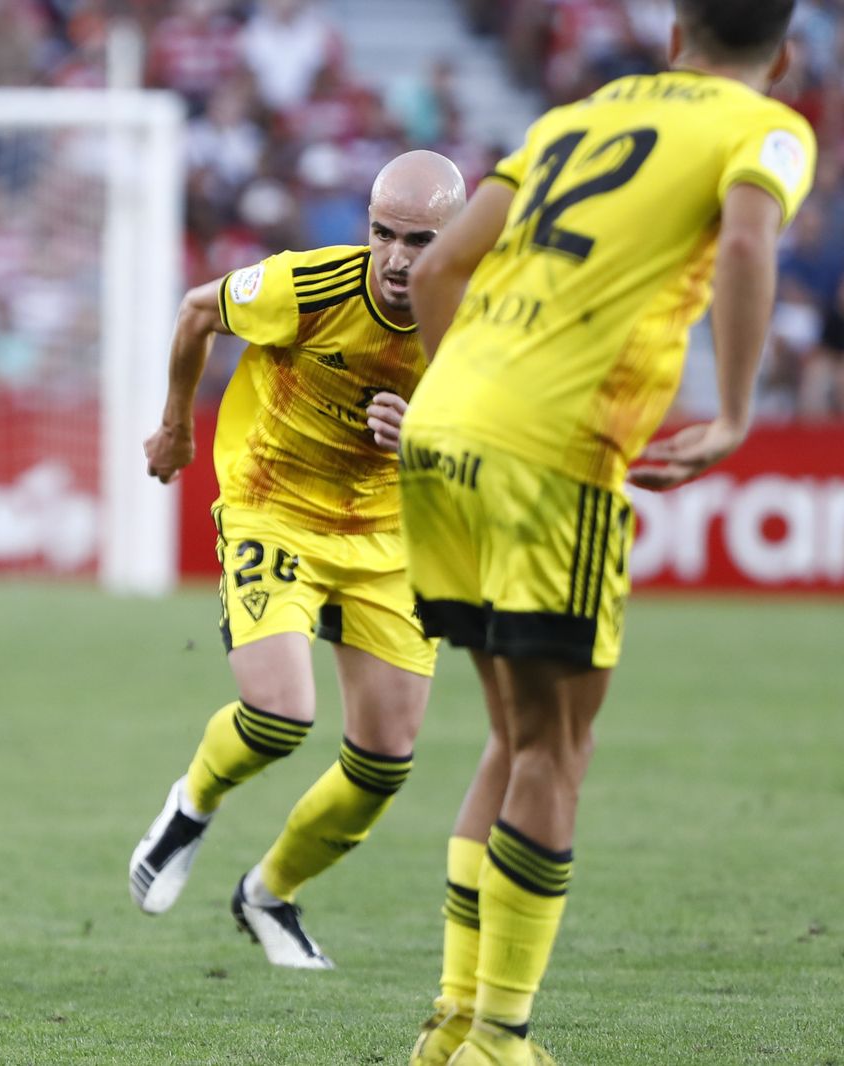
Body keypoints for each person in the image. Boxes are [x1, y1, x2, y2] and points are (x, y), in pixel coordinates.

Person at [400, 3, 812, 1063]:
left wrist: (459, 401)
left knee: (508, 736)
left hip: (440, 433)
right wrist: (731, 413)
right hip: (554, 449)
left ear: (674, 33)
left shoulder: (568, 117)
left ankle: (451, 1024)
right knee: (555, 751)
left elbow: (441, 265)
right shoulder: (762, 126)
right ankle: (499, 1038)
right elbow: (750, 240)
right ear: (786, 54)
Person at [129, 151, 466, 968]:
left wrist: (425, 434)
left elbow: (501, 444)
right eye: (383, 233)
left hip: (390, 539)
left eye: (420, 241)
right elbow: (195, 311)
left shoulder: (480, 324)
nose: (394, 258)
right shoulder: (308, 286)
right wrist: (177, 425)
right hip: (274, 507)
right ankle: (192, 805)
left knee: (385, 762)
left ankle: (268, 893)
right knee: (281, 714)